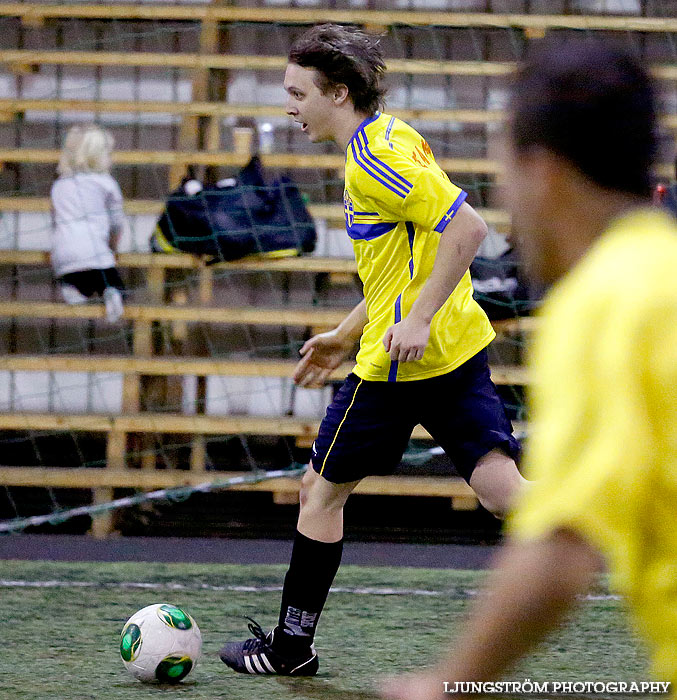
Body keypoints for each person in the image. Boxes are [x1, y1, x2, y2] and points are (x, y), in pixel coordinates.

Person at [220, 23, 526, 677]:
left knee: (318, 494)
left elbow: (469, 230)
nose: (289, 107)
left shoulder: (372, 160)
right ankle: (636, 533)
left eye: (297, 93)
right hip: (455, 350)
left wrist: (411, 323)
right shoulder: (387, 138)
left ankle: (289, 650)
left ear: (336, 92)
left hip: (397, 367)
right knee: (507, 495)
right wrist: (346, 331)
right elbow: (406, 263)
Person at [381, 39, 677, 700]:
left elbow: (558, 555)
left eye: (502, 178)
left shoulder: (604, 303)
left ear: (540, 174)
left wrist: (442, 685)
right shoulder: (659, 271)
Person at [51, 124, 128, 323]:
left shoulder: (59, 185)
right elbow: (116, 222)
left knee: (77, 275)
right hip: (94, 251)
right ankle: (112, 295)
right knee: (110, 282)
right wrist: (113, 247)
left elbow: (55, 220)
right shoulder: (105, 183)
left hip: (62, 253)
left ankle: (72, 288)